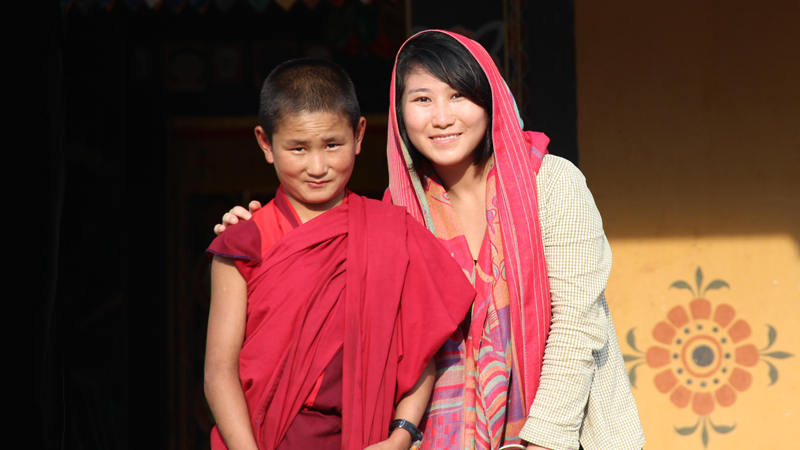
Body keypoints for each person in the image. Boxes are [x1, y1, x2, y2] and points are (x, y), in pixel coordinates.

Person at [217, 31, 645, 450]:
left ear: (489, 100)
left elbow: (576, 324)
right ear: (399, 111)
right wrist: (255, 230)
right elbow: (392, 349)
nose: (442, 118)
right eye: (422, 99)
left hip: (558, 435)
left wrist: (540, 443)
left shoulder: (551, 185)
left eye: (458, 95)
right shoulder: (396, 213)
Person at [204, 57, 476, 450]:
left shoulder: (392, 233)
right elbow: (219, 371)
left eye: (333, 145)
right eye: (298, 148)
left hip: (367, 439)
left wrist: (401, 437)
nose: (318, 167)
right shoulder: (244, 241)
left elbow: (420, 355)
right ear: (266, 143)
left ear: (359, 135)